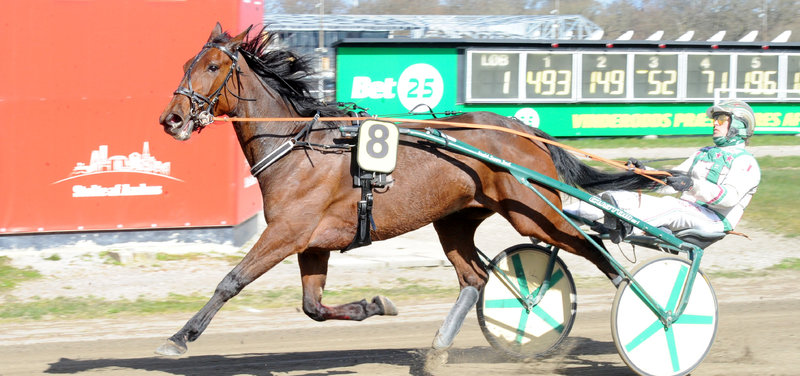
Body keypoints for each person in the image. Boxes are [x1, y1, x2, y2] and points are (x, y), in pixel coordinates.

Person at [565, 99, 761, 243]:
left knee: (671, 205)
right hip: (687, 210)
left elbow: (728, 198)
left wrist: (692, 185)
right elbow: (670, 182)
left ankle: (626, 224)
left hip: (714, 221)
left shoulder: (746, 163)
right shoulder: (703, 153)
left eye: (721, 119)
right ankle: (564, 215)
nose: (714, 123)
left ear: (738, 125)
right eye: (715, 119)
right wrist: (645, 172)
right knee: (618, 196)